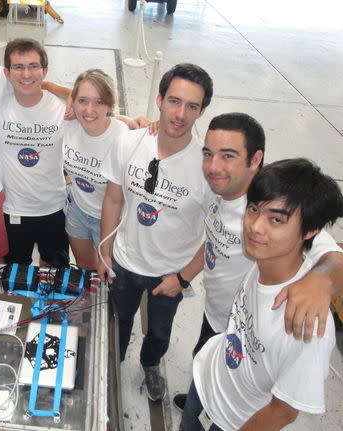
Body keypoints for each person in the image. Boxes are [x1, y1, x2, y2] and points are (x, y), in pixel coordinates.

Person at [166, 113, 343, 411]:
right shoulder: (218, 185)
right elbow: (212, 239)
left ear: (255, 159)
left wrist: (321, 281)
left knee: (232, 396)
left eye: (228, 156)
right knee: (204, 364)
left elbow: (333, 257)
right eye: (208, 154)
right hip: (217, 313)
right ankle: (200, 397)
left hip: (248, 333)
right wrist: (183, 278)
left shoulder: (278, 209)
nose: (213, 167)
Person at [98, 63, 214, 401]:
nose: (180, 114)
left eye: (192, 106)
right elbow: (113, 198)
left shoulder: (208, 168)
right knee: (117, 323)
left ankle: (151, 364)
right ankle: (111, 362)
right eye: (174, 101)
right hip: (123, 262)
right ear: (159, 100)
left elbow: (215, 235)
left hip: (170, 272)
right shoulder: (129, 143)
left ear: (202, 110)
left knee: (160, 331)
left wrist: (183, 278)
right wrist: (105, 253)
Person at [0, 38, 69, 267]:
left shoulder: (63, 107)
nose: (26, 74)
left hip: (54, 208)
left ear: (44, 71)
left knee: (55, 272)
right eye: (18, 67)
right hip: (13, 209)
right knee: (17, 275)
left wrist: (131, 120)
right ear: (7, 73)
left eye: (33, 66)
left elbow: (98, 115)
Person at [63, 69, 129, 269]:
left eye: (99, 102)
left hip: (110, 221)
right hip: (77, 211)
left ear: (109, 105)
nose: (89, 110)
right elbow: (39, 86)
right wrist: (48, 86)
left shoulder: (123, 137)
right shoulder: (68, 125)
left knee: (109, 274)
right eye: (82, 100)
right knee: (85, 267)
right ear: (72, 101)